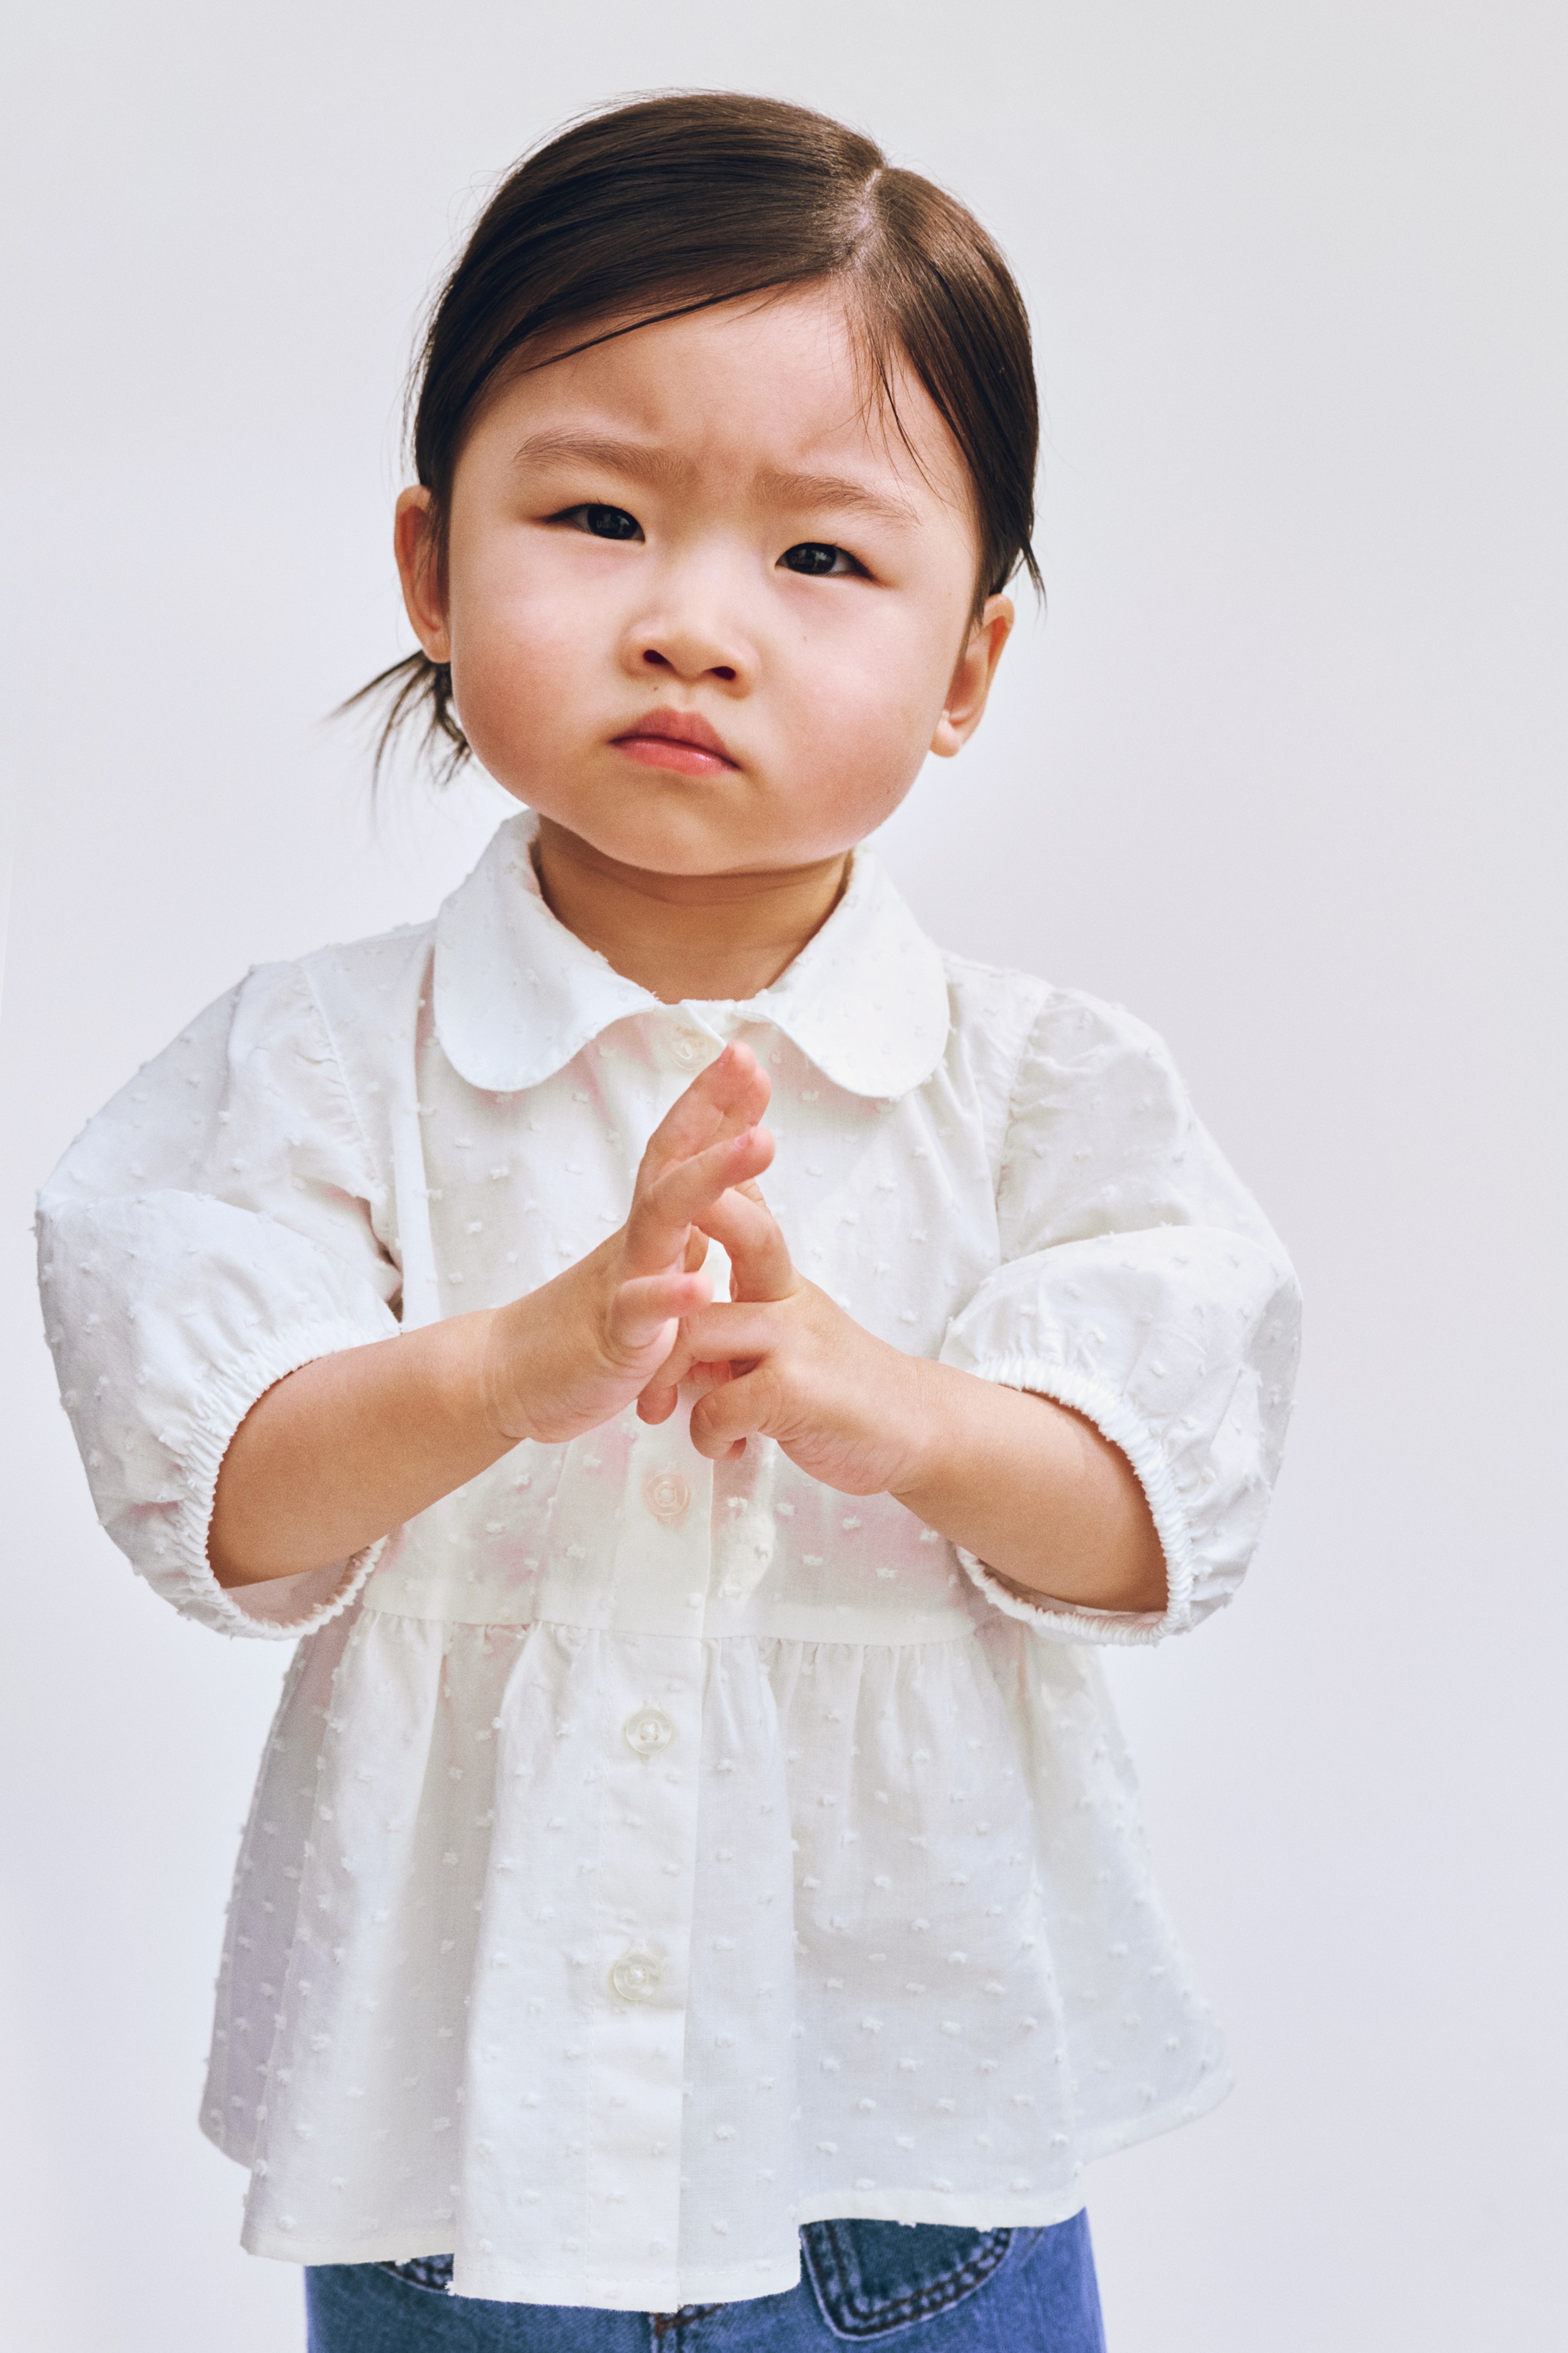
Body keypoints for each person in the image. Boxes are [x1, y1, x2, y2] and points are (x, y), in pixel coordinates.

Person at [36, 92, 1301, 2351]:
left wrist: (902, 1413)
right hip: (463, 2160)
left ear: (968, 669)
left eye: (820, 558)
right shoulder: (321, 1064)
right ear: (432, 566)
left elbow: (1156, 1521)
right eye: (600, 516)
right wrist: (513, 1362)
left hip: (906, 2148)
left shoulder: (1036, 1088)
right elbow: (223, 1499)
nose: (694, 623)